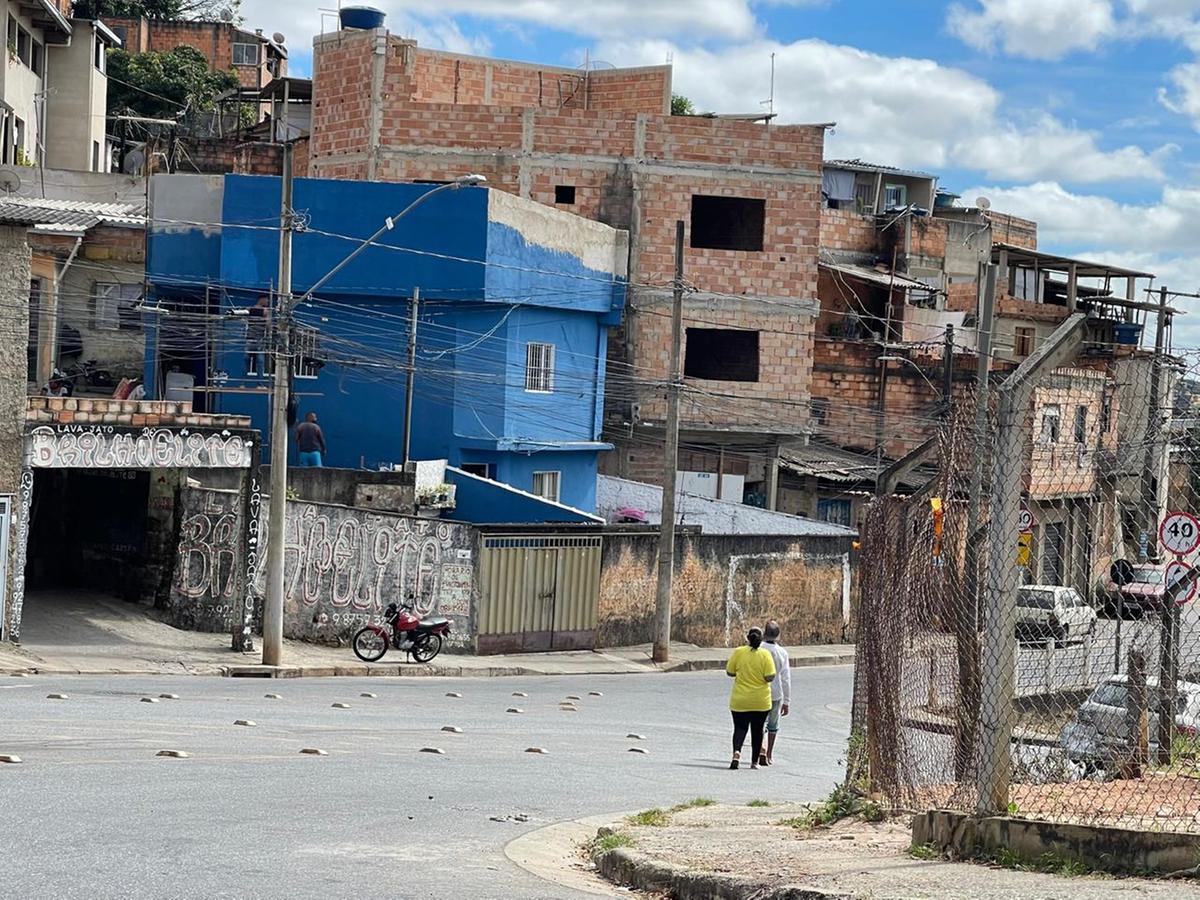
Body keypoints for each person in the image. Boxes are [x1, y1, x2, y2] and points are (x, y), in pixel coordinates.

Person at [725, 626, 776, 770]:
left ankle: (736, 752)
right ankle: (754, 762)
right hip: (760, 701)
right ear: (761, 640)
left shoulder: (739, 652)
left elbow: (730, 672)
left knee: (740, 728)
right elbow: (770, 676)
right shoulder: (765, 655)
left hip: (740, 699)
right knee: (757, 730)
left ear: (748, 638)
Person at [760, 620, 791, 766]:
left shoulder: (758, 649)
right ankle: (770, 754)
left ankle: (761, 747)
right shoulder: (782, 653)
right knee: (773, 725)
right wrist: (787, 701)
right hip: (776, 693)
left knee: (760, 723)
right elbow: (786, 678)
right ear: (778, 635)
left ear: (764, 634)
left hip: (760, 691)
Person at [246, 295, 271, 375]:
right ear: (261, 299)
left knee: (248, 360)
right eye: (266, 300)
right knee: (260, 361)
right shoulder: (265, 311)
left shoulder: (250, 309)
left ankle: (243, 383)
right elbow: (268, 325)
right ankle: (259, 384)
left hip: (252, 339)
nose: (267, 302)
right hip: (257, 339)